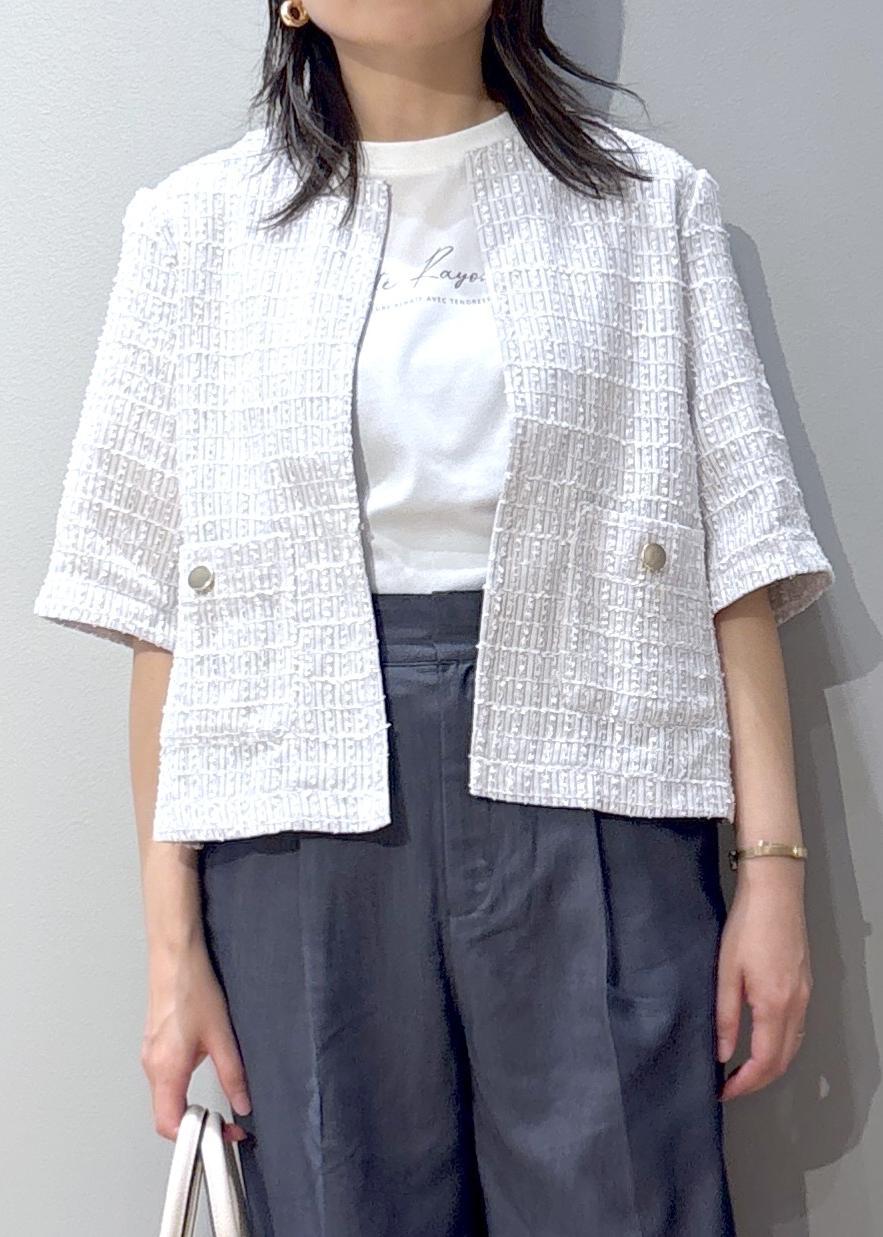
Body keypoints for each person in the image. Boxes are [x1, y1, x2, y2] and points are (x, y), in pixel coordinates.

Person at [33, 2, 835, 1233]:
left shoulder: (646, 207)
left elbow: (740, 559)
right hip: (295, 802)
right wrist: (169, 945)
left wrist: (771, 874)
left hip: (599, 774)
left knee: (622, 1200)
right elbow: (164, 613)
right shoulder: (194, 229)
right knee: (340, 1201)